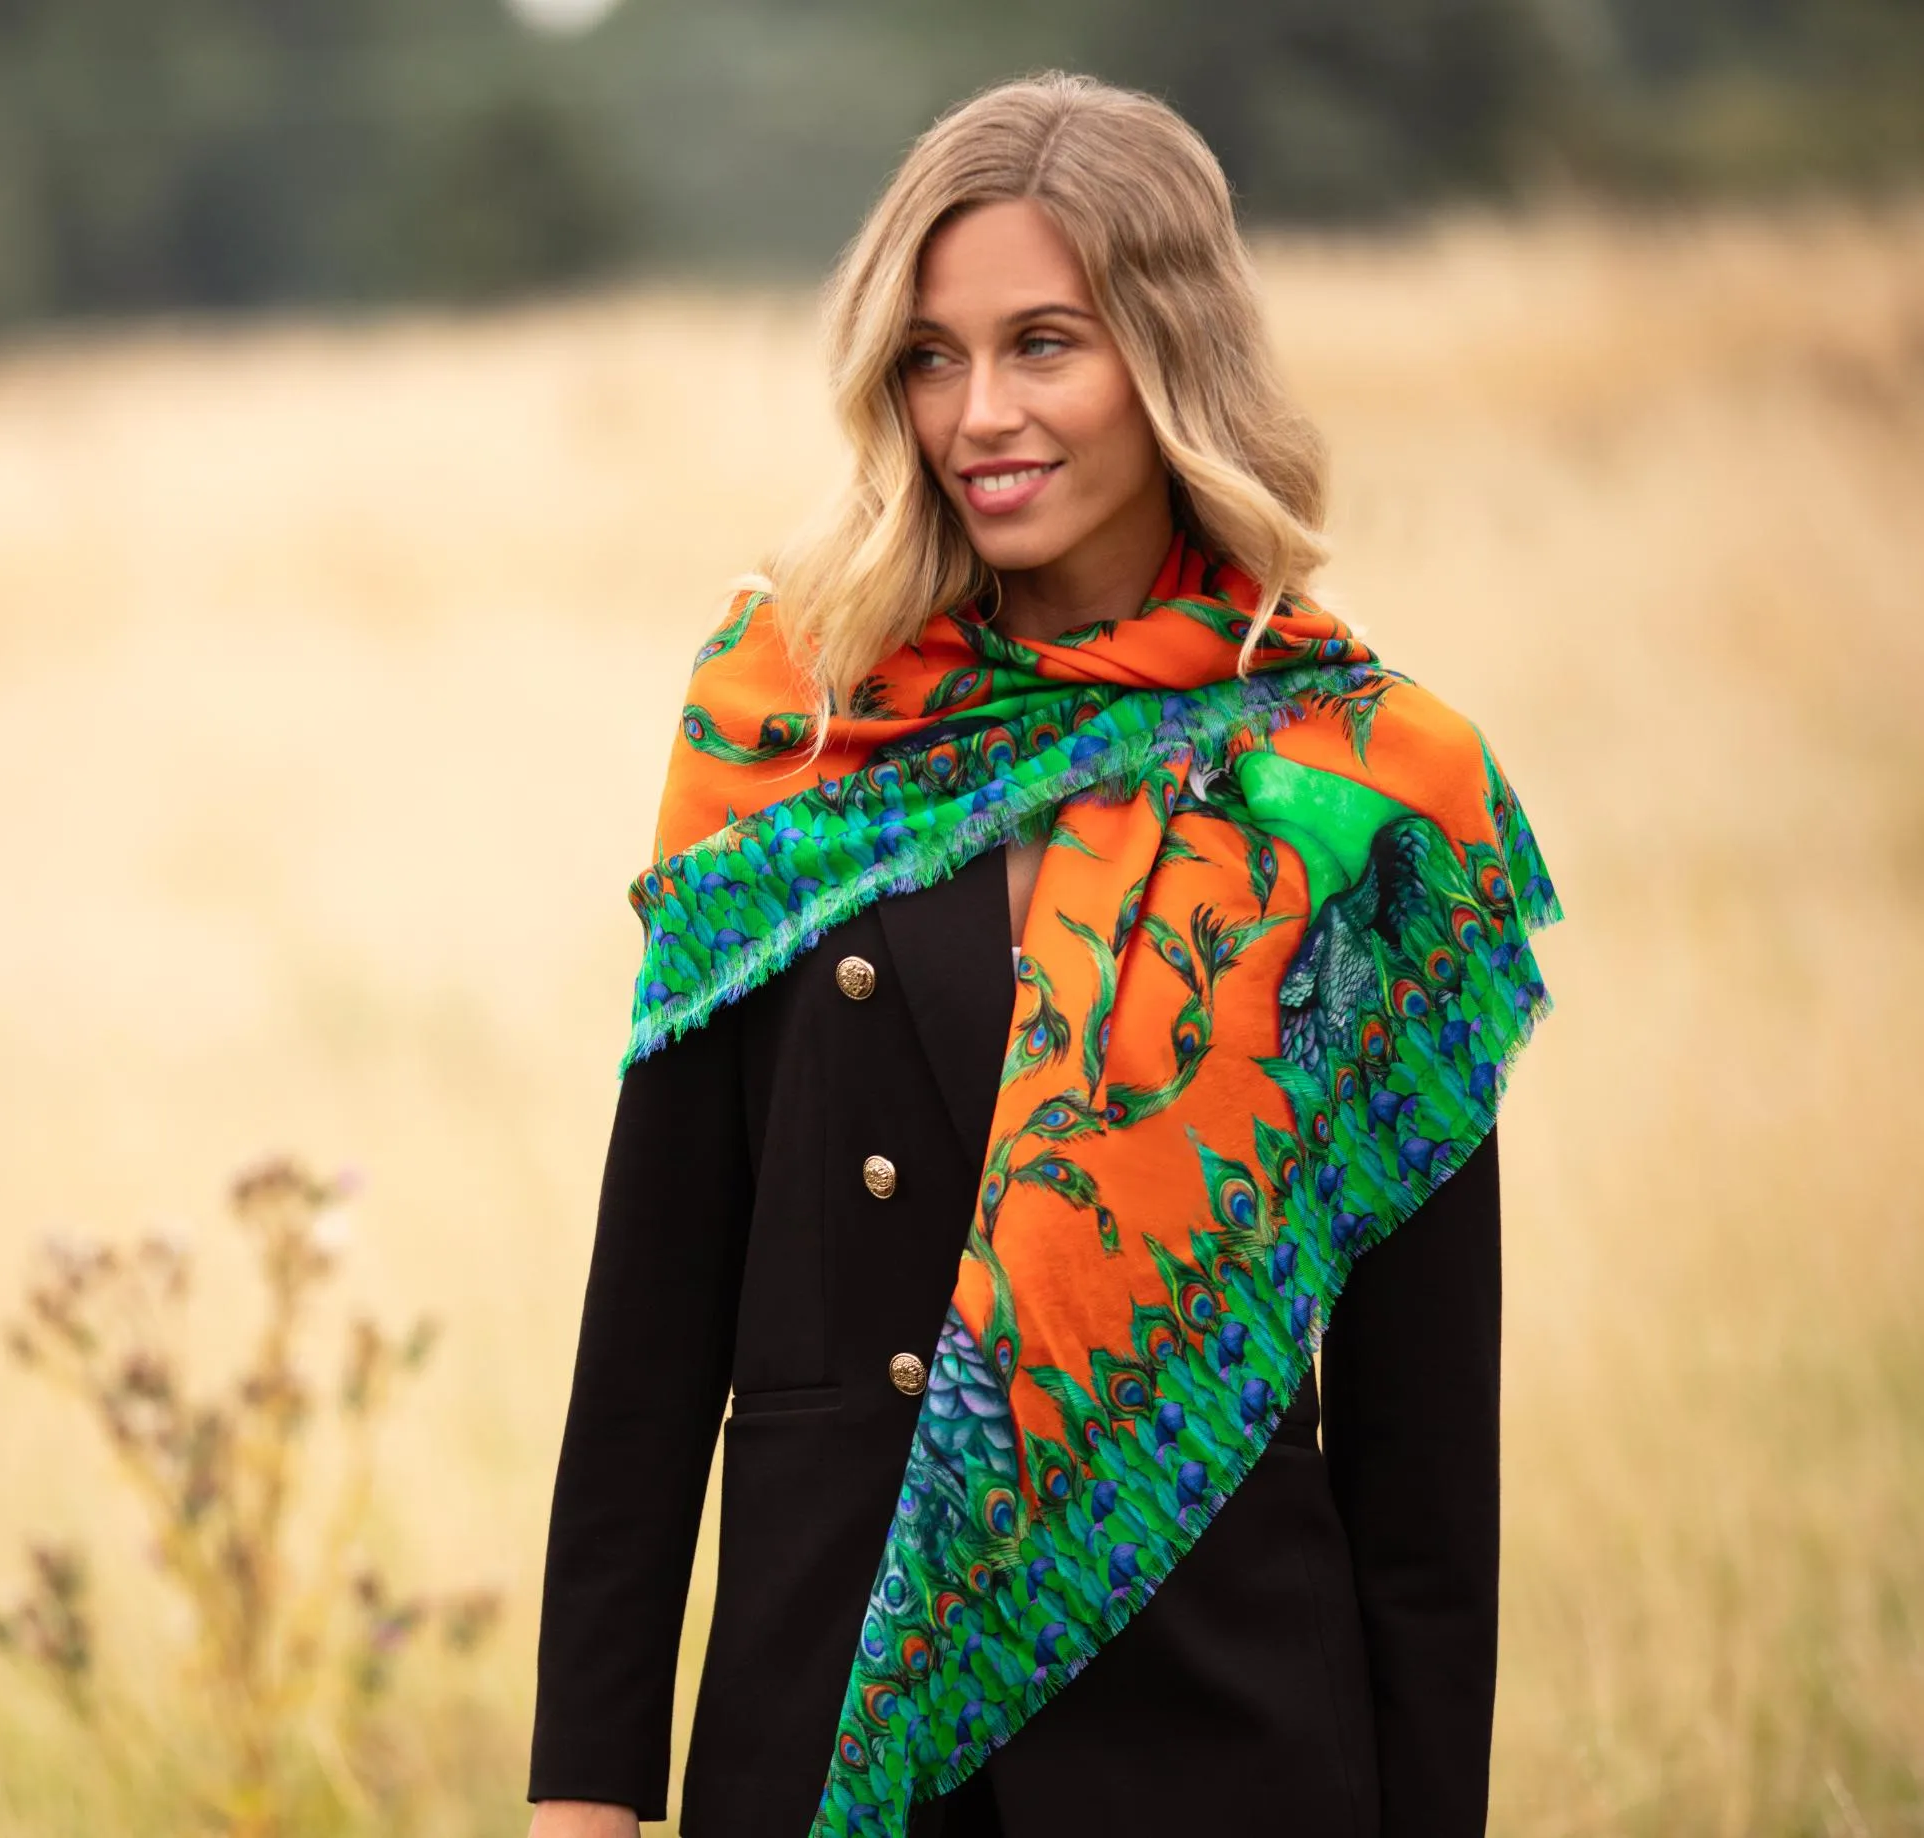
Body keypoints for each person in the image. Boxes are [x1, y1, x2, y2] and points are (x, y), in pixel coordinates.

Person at [524, 71, 1563, 1838]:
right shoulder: (791, 732)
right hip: (827, 1722)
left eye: (1044, 345)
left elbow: (1422, 1460)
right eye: (931, 355)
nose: (978, 413)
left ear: (1172, 358)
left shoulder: (1365, 795)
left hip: (1222, 1751)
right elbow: (650, 1325)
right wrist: (584, 1794)